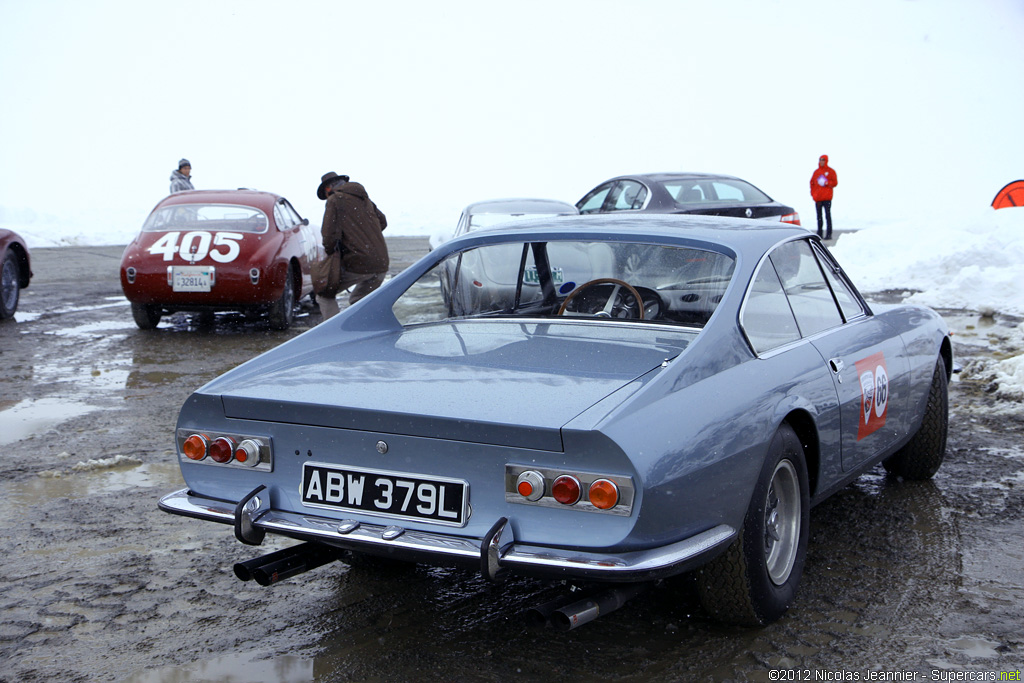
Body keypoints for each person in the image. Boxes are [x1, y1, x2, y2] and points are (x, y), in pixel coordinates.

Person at [315, 171, 389, 319]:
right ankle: (364, 331)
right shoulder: (365, 199)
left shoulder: (335, 200)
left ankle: (333, 333)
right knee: (358, 301)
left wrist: (334, 251)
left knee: (324, 294)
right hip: (381, 263)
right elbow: (383, 222)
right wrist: (363, 236)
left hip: (360, 263)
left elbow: (329, 236)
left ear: (329, 188)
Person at [809, 154, 838, 240]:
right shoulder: (816, 172)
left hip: (827, 198)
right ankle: (819, 233)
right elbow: (812, 183)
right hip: (818, 198)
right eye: (820, 160)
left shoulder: (831, 171)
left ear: (826, 161)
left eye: (823, 160)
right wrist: (813, 194)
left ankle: (829, 233)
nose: (821, 161)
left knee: (827, 216)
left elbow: (835, 183)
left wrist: (826, 183)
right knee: (819, 217)